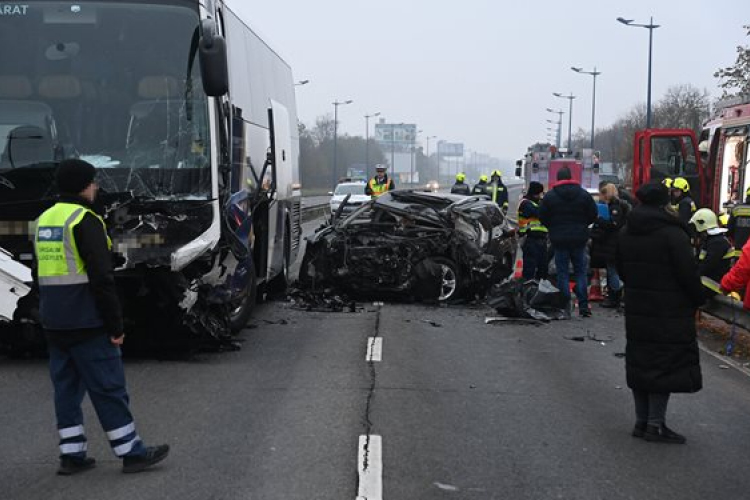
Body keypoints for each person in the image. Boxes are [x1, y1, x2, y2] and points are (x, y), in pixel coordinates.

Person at [34, 159, 169, 475]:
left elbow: (37, 271)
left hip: (54, 320)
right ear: (84, 186)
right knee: (108, 386)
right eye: (93, 182)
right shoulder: (84, 219)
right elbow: (101, 278)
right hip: (87, 319)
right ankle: (131, 452)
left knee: (66, 389)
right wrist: (116, 324)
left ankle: (71, 455)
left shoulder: (43, 220)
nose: (96, 188)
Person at [616, 182, 704, 444]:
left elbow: (621, 268)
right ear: (665, 203)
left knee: (641, 362)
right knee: (663, 365)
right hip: (669, 309)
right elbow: (687, 273)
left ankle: (641, 422)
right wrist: (698, 300)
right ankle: (656, 425)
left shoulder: (626, 231)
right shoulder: (672, 234)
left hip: (637, 306)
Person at [539, 166, 598, 317]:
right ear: (571, 177)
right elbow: (593, 214)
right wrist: (583, 225)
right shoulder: (583, 194)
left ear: (558, 178)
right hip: (579, 239)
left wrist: (553, 227)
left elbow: (542, 216)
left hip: (559, 240)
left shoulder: (550, 196)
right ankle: (584, 307)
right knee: (581, 272)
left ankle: (565, 308)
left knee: (562, 273)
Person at [591, 183, 630, 308]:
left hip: (612, 243)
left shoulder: (615, 207)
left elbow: (614, 224)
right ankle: (614, 296)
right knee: (611, 269)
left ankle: (617, 291)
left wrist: (599, 220)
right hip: (613, 242)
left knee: (612, 270)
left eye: (602, 194)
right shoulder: (615, 206)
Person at [690, 209, 733, 299]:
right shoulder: (711, 240)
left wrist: (690, 276)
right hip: (707, 284)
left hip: (712, 287)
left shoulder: (717, 243)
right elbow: (699, 261)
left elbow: (707, 266)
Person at [517, 181, 548, 280]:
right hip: (530, 240)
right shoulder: (526, 203)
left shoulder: (536, 203)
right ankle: (527, 291)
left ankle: (538, 290)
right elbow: (539, 213)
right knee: (529, 269)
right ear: (535, 193)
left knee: (543, 268)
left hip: (541, 240)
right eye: (540, 193)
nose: (541, 195)